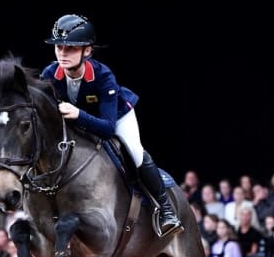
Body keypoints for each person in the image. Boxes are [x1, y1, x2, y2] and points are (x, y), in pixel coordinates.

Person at [41, 14, 181, 236]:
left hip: (117, 117)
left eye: (71, 48)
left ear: (87, 50)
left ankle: (166, 209)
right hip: (80, 121)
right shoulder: (49, 75)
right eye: (59, 47)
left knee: (135, 151)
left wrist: (78, 114)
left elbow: (107, 128)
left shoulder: (103, 76)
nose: (63, 54)